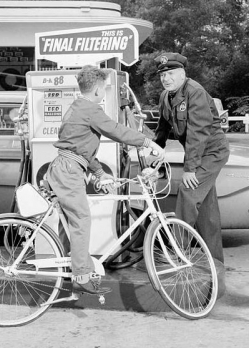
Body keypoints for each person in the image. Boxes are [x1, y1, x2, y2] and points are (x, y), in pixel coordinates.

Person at [46, 65, 165, 295]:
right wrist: (148, 143)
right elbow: (116, 130)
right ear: (99, 90)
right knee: (81, 219)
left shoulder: (76, 107)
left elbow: (80, 148)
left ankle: (70, 269)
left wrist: (99, 173)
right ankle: (81, 275)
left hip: (64, 167)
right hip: (69, 170)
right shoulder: (91, 109)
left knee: (69, 222)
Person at [152, 52, 230, 294]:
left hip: (211, 152)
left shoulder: (194, 91)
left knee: (188, 192)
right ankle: (215, 262)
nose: (166, 78)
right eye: (163, 74)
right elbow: (163, 127)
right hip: (198, 153)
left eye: (171, 73)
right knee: (207, 210)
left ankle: (177, 252)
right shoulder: (166, 96)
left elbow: (197, 133)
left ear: (183, 73)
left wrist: (190, 169)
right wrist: (155, 150)